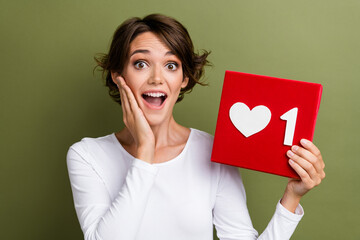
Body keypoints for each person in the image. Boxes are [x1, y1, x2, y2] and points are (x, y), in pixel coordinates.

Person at [66, 14, 325, 240]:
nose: (156, 78)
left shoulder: (213, 152)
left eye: (171, 65)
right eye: (141, 64)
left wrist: (292, 197)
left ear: (184, 79)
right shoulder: (87, 156)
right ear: (118, 76)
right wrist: (146, 150)